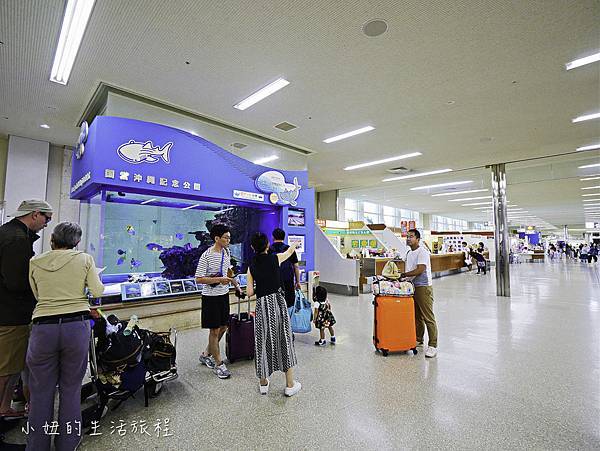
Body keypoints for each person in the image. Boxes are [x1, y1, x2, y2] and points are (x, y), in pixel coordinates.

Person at [26, 222, 104, 451]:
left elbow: (37, 293)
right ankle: (68, 443)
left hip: (42, 327)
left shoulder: (34, 262)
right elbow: (98, 291)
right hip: (75, 326)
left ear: (52, 239)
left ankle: (36, 445)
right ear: (77, 242)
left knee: (40, 390)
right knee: (70, 388)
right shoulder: (84, 259)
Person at [0, 200, 53, 421]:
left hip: (12, 312)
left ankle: (4, 408)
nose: (45, 225)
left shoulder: (11, 233)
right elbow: (16, 281)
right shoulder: (17, 239)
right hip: (10, 313)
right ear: (35, 214)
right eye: (46, 219)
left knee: (12, 366)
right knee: (4, 367)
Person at [246, 232, 301, 396]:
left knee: (262, 340)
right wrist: (294, 245)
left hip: (261, 304)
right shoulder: (275, 258)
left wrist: (260, 285)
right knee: (284, 338)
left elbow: (249, 292)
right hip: (277, 302)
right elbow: (289, 253)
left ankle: (263, 383)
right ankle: (290, 385)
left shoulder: (251, 266)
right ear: (267, 246)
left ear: (252, 248)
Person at [196, 224, 241, 379]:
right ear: (217, 238)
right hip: (210, 297)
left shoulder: (226, 252)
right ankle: (218, 363)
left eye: (229, 237)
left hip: (223, 295)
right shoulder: (206, 255)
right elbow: (199, 279)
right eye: (226, 237)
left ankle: (206, 353)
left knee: (223, 327)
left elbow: (227, 271)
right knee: (214, 330)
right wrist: (218, 279)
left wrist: (235, 284)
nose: (229, 240)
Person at [400, 229, 438, 358]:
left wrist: (404, 275)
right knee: (417, 316)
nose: (408, 239)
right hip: (412, 287)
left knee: (428, 317)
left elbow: (420, 269)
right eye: (407, 236)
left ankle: (433, 345)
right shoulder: (409, 252)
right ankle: (419, 339)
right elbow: (411, 270)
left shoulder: (423, 252)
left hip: (423, 287)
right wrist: (404, 279)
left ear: (418, 239)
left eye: (411, 237)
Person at [268, 228, 301, 309]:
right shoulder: (289, 249)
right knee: (288, 305)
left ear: (273, 237)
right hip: (288, 281)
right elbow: (296, 266)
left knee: (275, 305)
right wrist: (297, 282)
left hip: (274, 282)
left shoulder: (269, 249)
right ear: (284, 237)